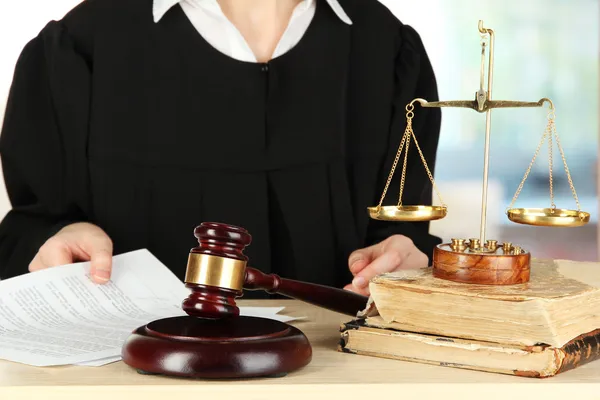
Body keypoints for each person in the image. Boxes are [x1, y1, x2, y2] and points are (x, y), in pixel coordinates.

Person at [0, 0, 442, 297]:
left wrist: (404, 252)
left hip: (341, 376)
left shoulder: (388, 49)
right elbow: (33, 225)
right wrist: (58, 239)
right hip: (126, 379)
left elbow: (402, 229)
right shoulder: (78, 48)